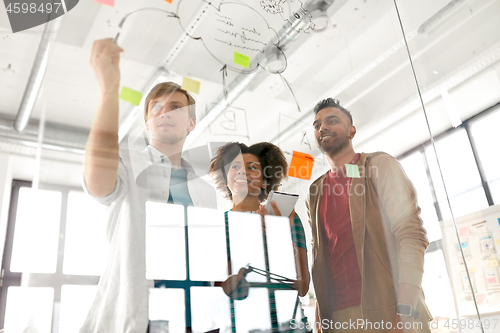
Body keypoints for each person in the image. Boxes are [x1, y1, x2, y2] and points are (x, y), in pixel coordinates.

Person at [81, 38, 216, 333]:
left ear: (192, 123)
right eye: (156, 107)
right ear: (146, 122)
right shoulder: (130, 165)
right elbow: (97, 185)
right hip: (141, 319)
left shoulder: (206, 192)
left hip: (196, 319)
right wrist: (109, 92)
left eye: (176, 107)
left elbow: (208, 261)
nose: (164, 112)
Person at [307, 98, 432, 333]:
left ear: (352, 130)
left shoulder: (377, 166)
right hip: (338, 319)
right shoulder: (316, 191)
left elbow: (411, 236)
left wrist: (405, 312)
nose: (322, 128)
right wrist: (320, 321)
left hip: (389, 309)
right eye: (316, 125)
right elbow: (321, 259)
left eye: (332, 121)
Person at [209, 142, 310, 329]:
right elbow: (221, 292)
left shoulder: (287, 218)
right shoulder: (217, 226)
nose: (242, 171)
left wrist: (278, 237)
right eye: (235, 167)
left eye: (252, 167)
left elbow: (302, 288)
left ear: (264, 181)